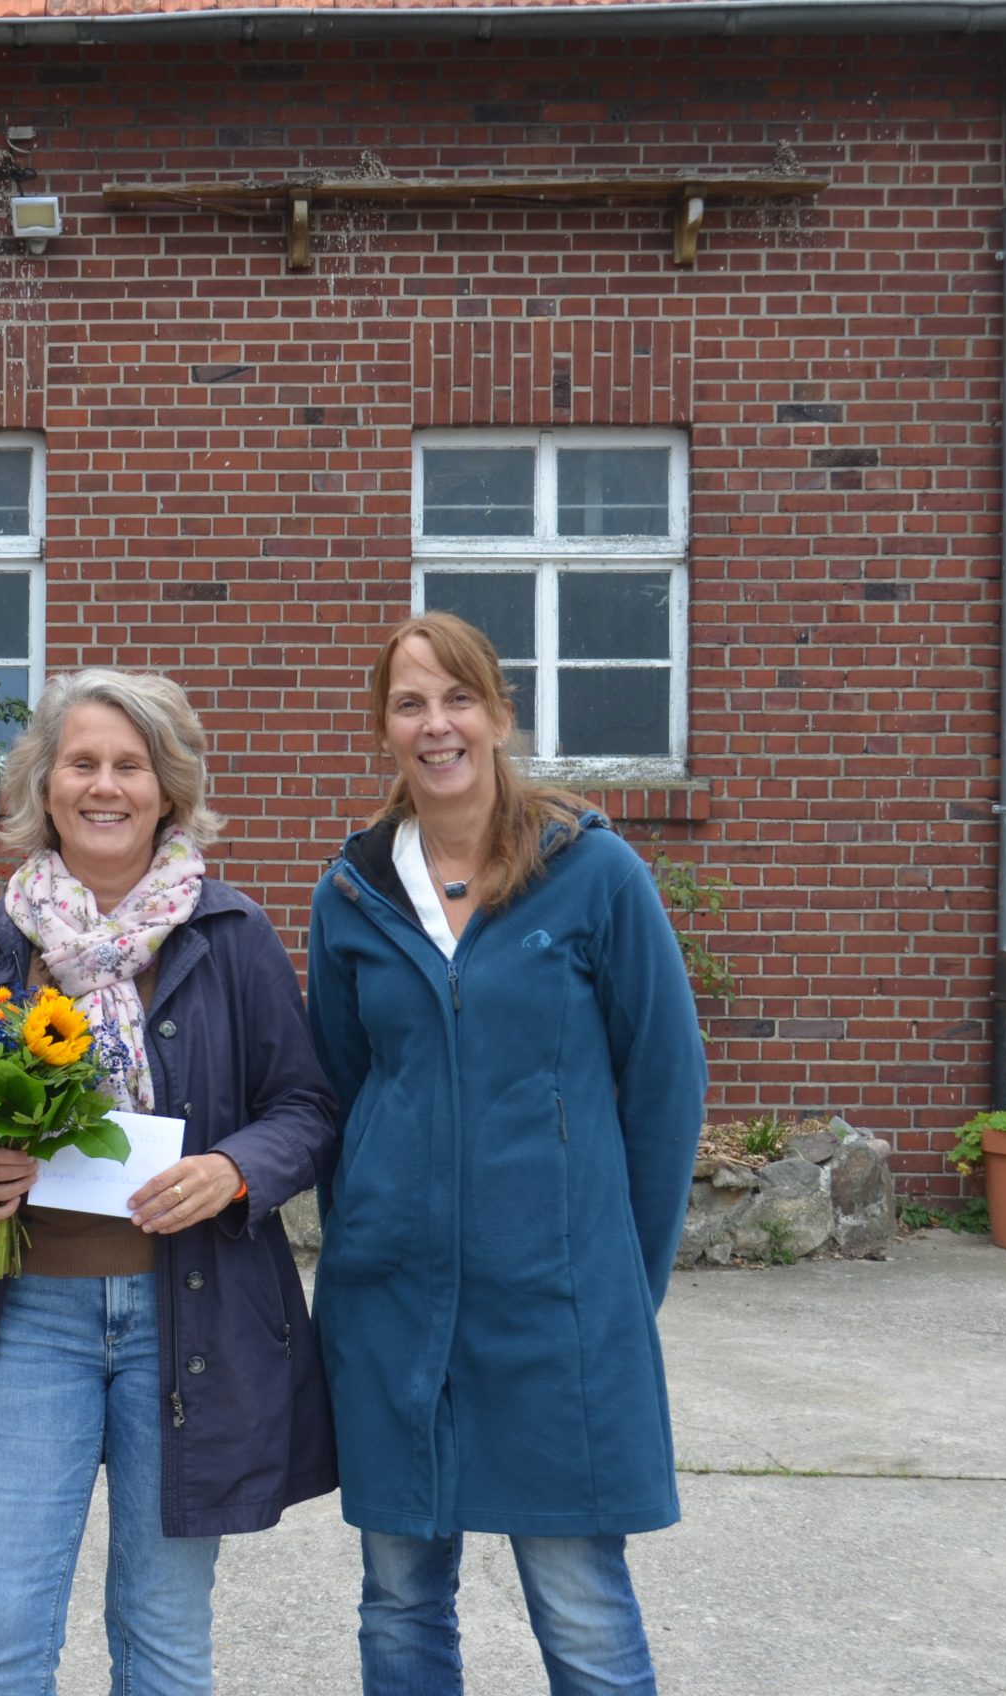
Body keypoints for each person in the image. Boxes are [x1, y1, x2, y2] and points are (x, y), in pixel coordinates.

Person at [304, 612, 707, 1696]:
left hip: (556, 1303)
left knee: (579, 1607)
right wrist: (370, 1240)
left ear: (497, 713)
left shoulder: (594, 874)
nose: (436, 724)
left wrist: (625, 1273)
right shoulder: (349, 895)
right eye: (409, 702)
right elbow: (344, 1093)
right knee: (397, 1603)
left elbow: (665, 1084)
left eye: (457, 697)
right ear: (384, 727)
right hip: (393, 1305)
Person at [0, 669, 339, 1696]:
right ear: (45, 784)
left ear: (167, 788)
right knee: (0, 1630)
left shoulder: (228, 937)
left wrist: (236, 1169)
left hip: (184, 1317)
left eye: (129, 765)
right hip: (29, 1319)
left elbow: (308, 1110)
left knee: (160, 1634)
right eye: (82, 763)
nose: (104, 786)